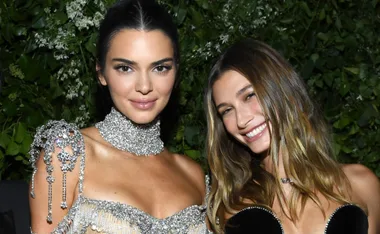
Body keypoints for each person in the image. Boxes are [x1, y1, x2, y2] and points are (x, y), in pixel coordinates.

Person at [29, 0, 211, 233]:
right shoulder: (67, 155)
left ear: (176, 71)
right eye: (125, 68)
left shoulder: (193, 175)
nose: (144, 86)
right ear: (101, 73)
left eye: (160, 68)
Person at [204, 39, 380, 234]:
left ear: (281, 90)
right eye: (227, 110)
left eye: (249, 96)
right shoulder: (228, 207)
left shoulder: (361, 183)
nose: (241, 120)